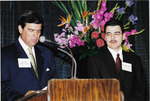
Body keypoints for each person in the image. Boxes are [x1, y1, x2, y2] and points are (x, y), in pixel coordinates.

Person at [1, 10, 57, 101]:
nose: (36, 35)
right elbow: (2, 88)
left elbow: (54, 81)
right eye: (31, 30)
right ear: (20, 29)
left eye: (39, 31)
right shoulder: (5, 54)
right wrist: (24, 96)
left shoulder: (47, 53)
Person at [87, 19, 146, 101]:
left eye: (117, 34)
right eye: (109, 34)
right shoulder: (95, 60)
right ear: (104, 37)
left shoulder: (135, 60)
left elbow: (141, 89)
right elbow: (94, 91)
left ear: (123, 36)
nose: (112, 38)